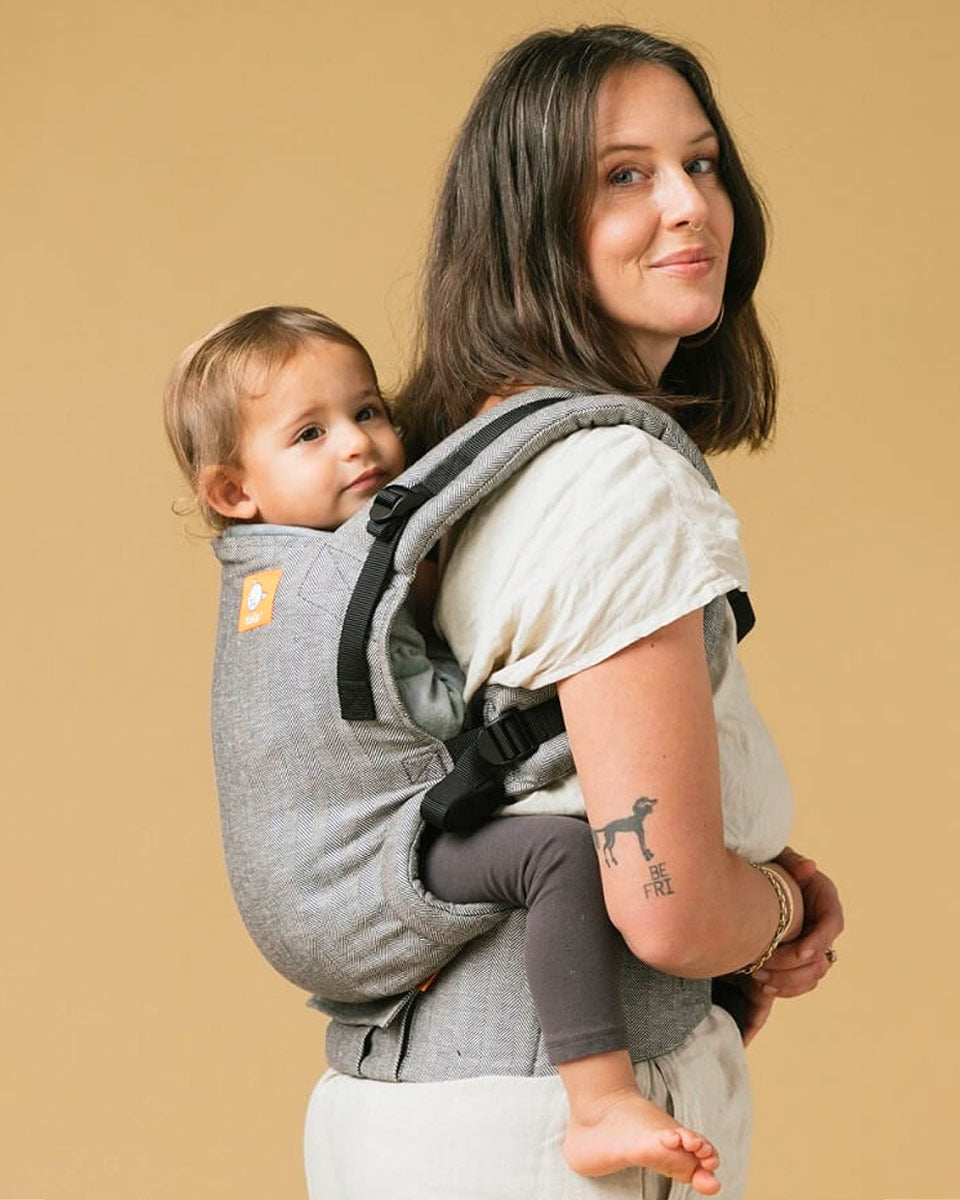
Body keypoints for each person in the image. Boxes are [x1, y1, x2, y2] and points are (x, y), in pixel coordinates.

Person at [302, 23, 844, 1200]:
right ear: (527, 226)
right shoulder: (615, 475)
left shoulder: (456, 458)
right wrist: (783, 906)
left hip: (399, 1104)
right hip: (551, 1126)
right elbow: (671, 906)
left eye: (701, 165)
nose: (689, 206)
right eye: (624, 176)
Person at [163, 303, 766, 1193]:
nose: (358, 446)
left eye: (368, 412)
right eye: (310, 433)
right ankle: (597, 1100)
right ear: (233, 493)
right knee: (558, 858)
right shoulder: (332, 591)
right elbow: (443, 716)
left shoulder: (276, 583)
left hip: (332, 945)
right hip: (363, 878)